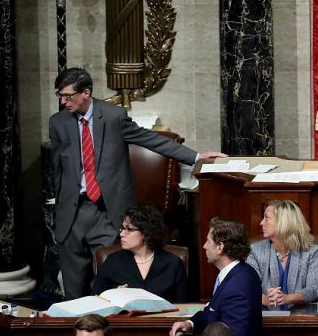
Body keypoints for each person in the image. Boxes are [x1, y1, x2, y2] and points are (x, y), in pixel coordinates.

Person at [50, 67, 225, 299]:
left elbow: (151, 140)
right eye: (60, 96)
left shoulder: (112, 116)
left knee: (106, 289)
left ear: (86, 93)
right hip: (72, 215)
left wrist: (195, 157)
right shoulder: (58, 123)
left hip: (107, 213)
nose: (63, 102)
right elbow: (57, 168)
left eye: (68, 96)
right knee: (73, 292)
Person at [169, 218, 263, 336]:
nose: (204, 246)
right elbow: (213, 309)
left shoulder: (237, 286)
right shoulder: (235, 272)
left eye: (208, 241)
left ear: (220, 247)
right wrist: (189, 324)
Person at [91, 205, 188, 302]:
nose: (121, 234)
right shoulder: (113, 261)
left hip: (163, 317)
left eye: (129, 229)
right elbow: (96, 300)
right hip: (123, 316)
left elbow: (183, 305)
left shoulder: (172, 263)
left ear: (146, 233)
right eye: (122, 228)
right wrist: (114, 295)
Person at [246, 200, 318, 308]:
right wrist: (266, 299)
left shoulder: (311, 252)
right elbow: (248, 286)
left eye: (266, 218)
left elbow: (315, 289)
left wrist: (287, 298)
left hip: (300, 317)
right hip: (265, 317)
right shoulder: (255, 250)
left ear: (283, 222)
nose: (261, 223)